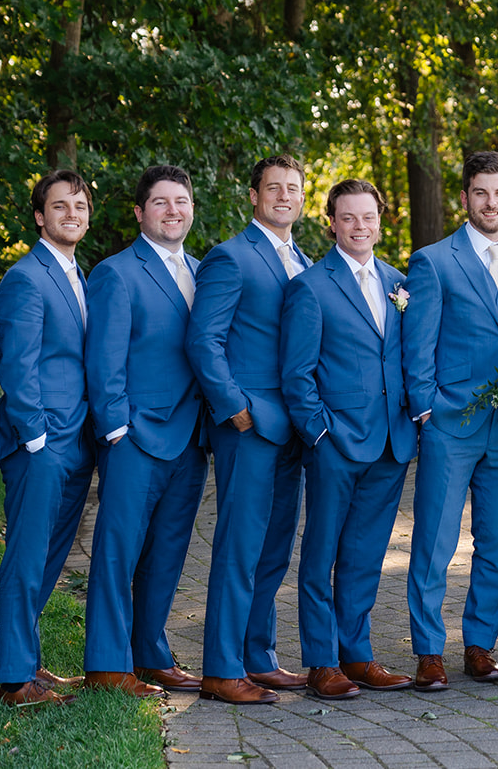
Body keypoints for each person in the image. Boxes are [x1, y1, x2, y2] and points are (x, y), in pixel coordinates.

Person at [403, 150, 498, 690]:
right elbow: (418, 345)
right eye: (480, 193)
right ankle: (429, 651)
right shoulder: (434, 261)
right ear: (465, 198)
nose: (491, 203)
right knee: (434, 542)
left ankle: (479, 645)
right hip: (449, 423)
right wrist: (426, 409)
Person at [279, 179, 419, 700]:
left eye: (368, 217)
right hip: (335, 442)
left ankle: (357, 655)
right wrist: (320, 433)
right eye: (349, 218)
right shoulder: (311, 287)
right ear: (331, 223)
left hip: (390, 443)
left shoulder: (398, 283)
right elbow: (297, 374)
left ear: (380, 221)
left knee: (364, 554)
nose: (360, 227)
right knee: (321, 554)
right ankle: (321, 661)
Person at [82, 165, 209, 697]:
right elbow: (104, 358)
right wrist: (115, 430)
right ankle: (108, 665)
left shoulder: (205, 271)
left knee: (169, 550)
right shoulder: (117, 272)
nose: (173, 210)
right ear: (140, 212)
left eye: (181, 201)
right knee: (118, 550)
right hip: (134, 436)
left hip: (191, 435)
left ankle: (150, 653)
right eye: (161, 202)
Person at [192, 155, 312, 704]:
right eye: (274, 188)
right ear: (254, 195)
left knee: (273, 548)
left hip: (294, 427)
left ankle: (257, 656)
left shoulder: (307, 261)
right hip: (249, 425)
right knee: (239, 545)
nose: (284, 196)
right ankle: (220, 667)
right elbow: (203, 341)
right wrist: (234, 407)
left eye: (293, 189)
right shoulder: (230, 258)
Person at [0, 170, 96, 707]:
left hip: (77, 437)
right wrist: (35, 438)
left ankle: (28, 660)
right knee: (28, 556)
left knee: (52, 556)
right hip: (41, 442)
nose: (71, 214)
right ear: (39, 216)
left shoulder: (79, 274)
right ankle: (14, 680)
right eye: (60, 207)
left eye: (79, 205)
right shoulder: (26, 278)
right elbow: (18, 364)